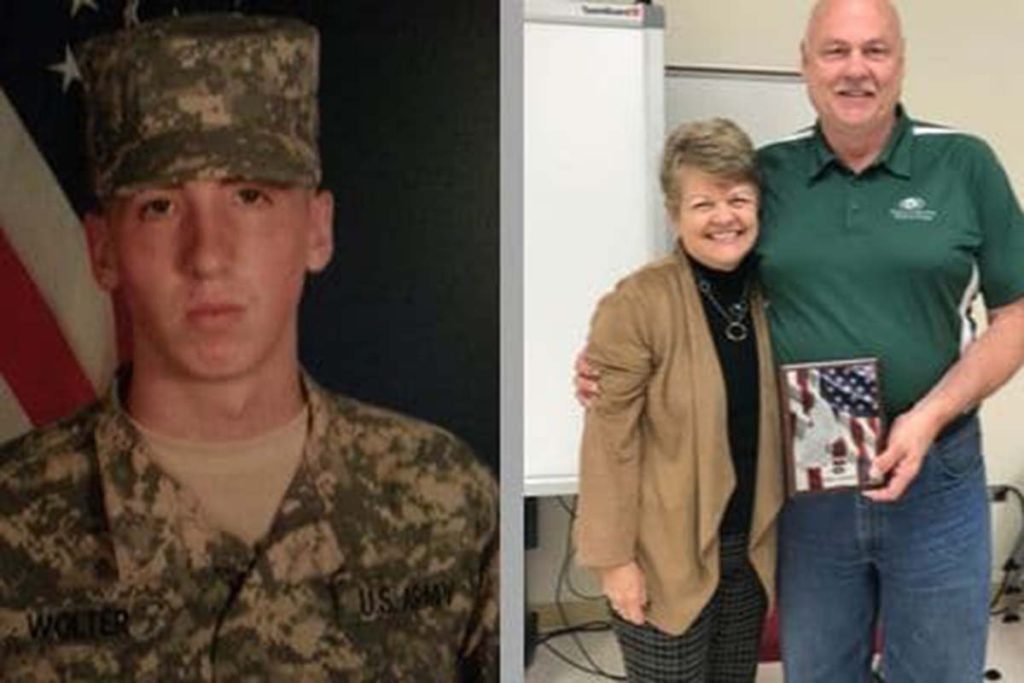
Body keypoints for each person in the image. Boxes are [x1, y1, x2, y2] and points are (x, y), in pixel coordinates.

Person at [0, 14, 497, 681]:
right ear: (103, 248)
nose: (207, 255)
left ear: (317, 230)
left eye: (250, 196)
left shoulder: (445, 496)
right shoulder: (13, 518)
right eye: (160, 206)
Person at [578, 0, 1024, 680]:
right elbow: (692, 290)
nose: (855, 69)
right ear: (805, 65)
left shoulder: (964, 163)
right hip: (808, 473)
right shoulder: (767, 175)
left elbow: (1015, 314)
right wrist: (608, 359)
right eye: (835, 51)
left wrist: (928, 416)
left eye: (875, 50)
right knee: (816, 671)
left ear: (901, 61)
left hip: (935, 468)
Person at [574, 118, 784, 682]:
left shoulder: (774, 296)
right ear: (674, 213)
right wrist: (616, 561)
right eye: (703, 203)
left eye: (738, 199)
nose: (724, 217)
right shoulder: (637, 303)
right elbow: (608, 442)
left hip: (749, 550)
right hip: (661, 556)